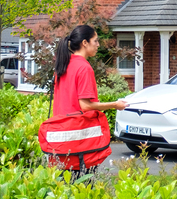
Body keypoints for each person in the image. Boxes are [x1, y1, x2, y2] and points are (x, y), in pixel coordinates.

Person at [49, 25, 127, 171]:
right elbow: (85, 106)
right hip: (79, 139)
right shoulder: (84, 68)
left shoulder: (63, 65)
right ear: (85, 43)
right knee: (82, 187)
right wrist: (115, 104)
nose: (98, 45)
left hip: (60, 137)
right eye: (95, 41)